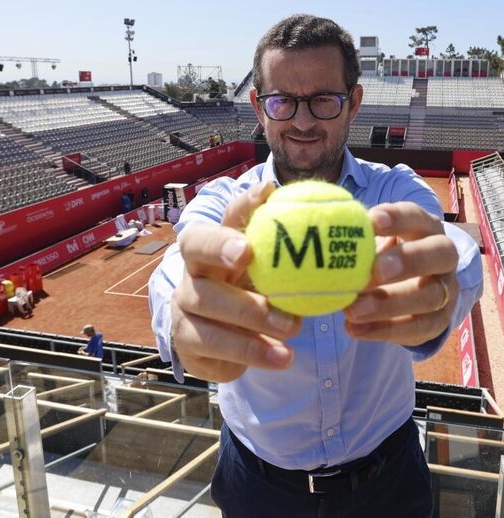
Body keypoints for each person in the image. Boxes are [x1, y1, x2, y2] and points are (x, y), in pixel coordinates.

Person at [148, 14, 482, 518]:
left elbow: (443, 241)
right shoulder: (223, 201)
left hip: (389, 481)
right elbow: (184, 259)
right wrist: (178, 317)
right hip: (256, 485)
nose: (303, 122)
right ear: (260, 107)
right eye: (283, 101)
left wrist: (444, 286)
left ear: (355, 101)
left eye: (324, 100)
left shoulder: (396, 189)